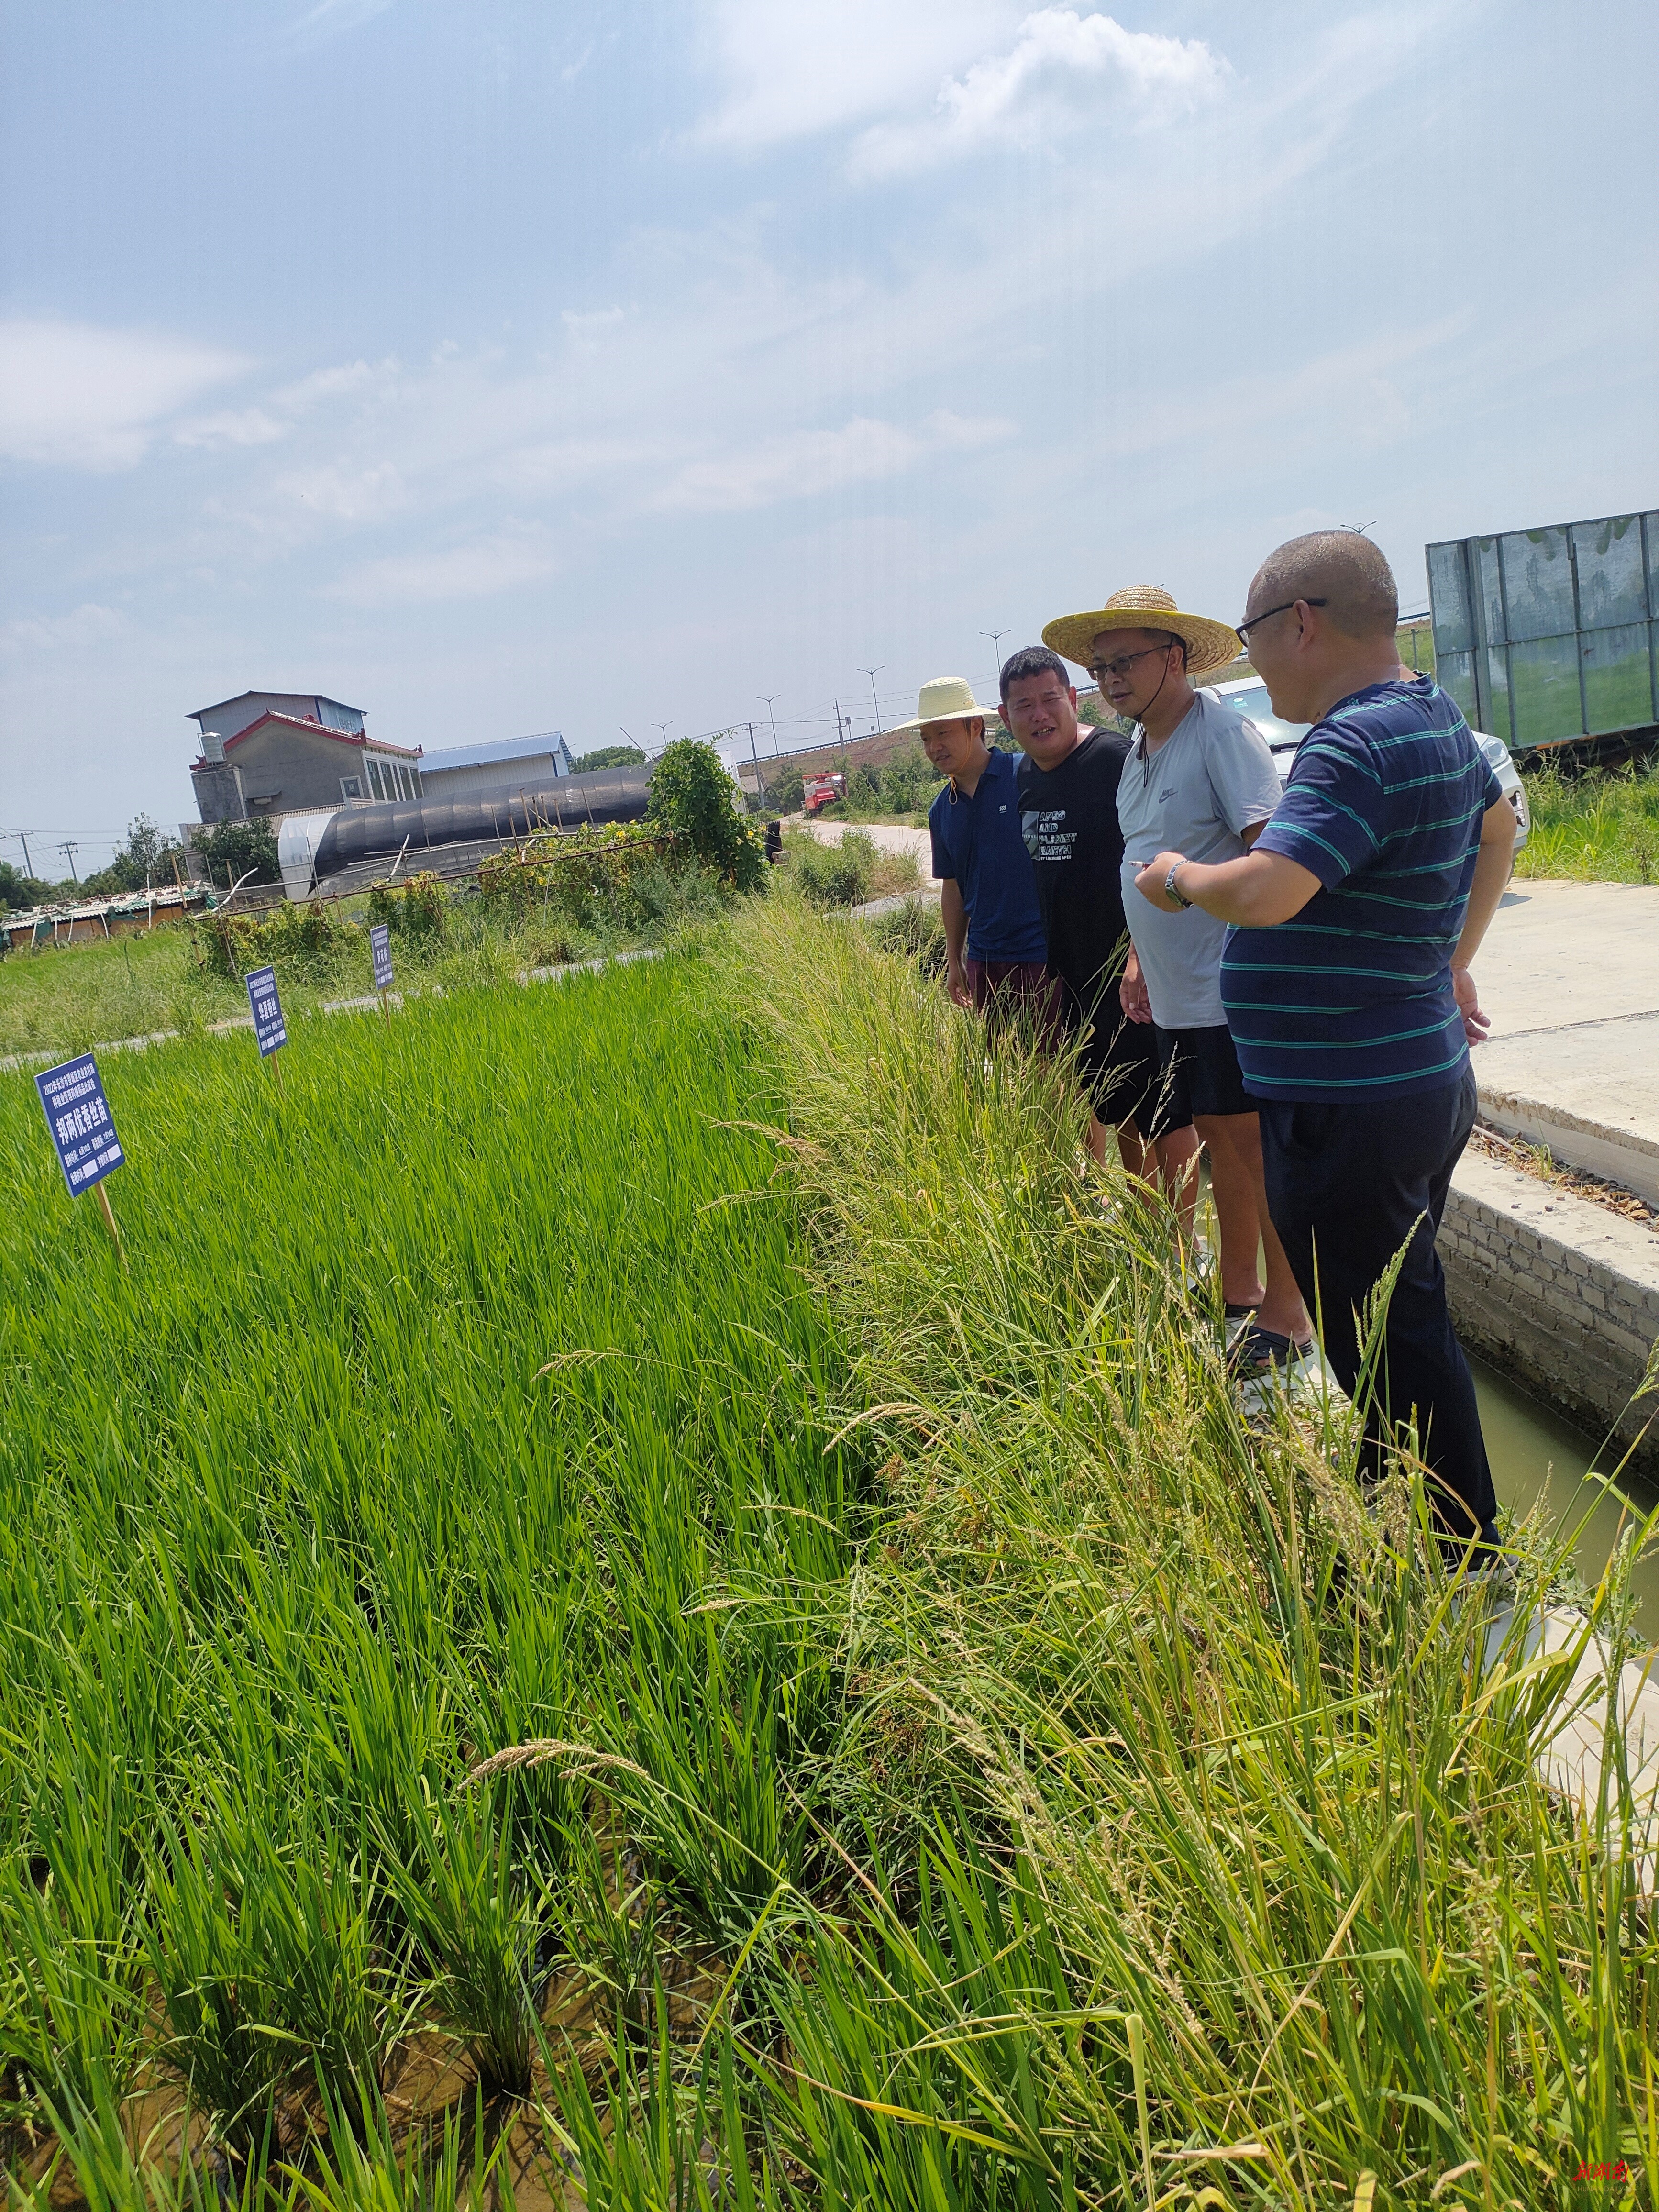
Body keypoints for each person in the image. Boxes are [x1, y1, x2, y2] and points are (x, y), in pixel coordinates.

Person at [1131, 530, 1515, 1560]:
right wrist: (1452, 956)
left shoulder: (1355, 741)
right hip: (1413, 1079)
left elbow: (1267, 888)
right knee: (1381, 1318)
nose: (1253, 662)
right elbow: (1499, 827)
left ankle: (1469, 1569)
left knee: (1400, 1332)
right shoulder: (1430, 712)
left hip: (1351, 1101)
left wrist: (1178, 876)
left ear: (1301, 622)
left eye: (1253, 636)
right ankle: (1397, 1508)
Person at [1043, 585, 1313, 1370]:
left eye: (1123, 660)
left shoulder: (1218, 737)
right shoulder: (1139, 749)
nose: (1110, 678)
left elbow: (1273, 858)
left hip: (1231, 983)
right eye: (1099, 666)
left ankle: (1287, 1317)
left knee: (1250, 1146)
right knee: (1222, 1144)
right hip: (1173, 989)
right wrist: (1135, 954)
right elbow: (1145, 863)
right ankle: (1238, 1293)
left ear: (1173, 657)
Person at [998, 642, 1200, 1215]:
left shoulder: (1114, 759)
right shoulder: (1026, 779)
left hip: (1137, 973)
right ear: (1005, 717)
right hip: (1079, 978)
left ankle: (1187, 1248)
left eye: (1048, 699)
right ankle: (1147, 1226)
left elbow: (1161, 859)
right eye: (1023, 705)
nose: (1039, 714)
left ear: (1072, 698)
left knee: (1166, 1111)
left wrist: (1139, 956)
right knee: (1119, 1108)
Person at [901, 675, 1051, 1019]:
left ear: (975, 727)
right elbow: (952, 889)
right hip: (984, 960)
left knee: (1055, 1061)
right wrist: (955, 961)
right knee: (1003, 1065)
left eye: (943, 734)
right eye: (926, 739)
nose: (934, 748)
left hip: (1043, 953)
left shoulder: (1025, 776)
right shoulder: (942, 810)